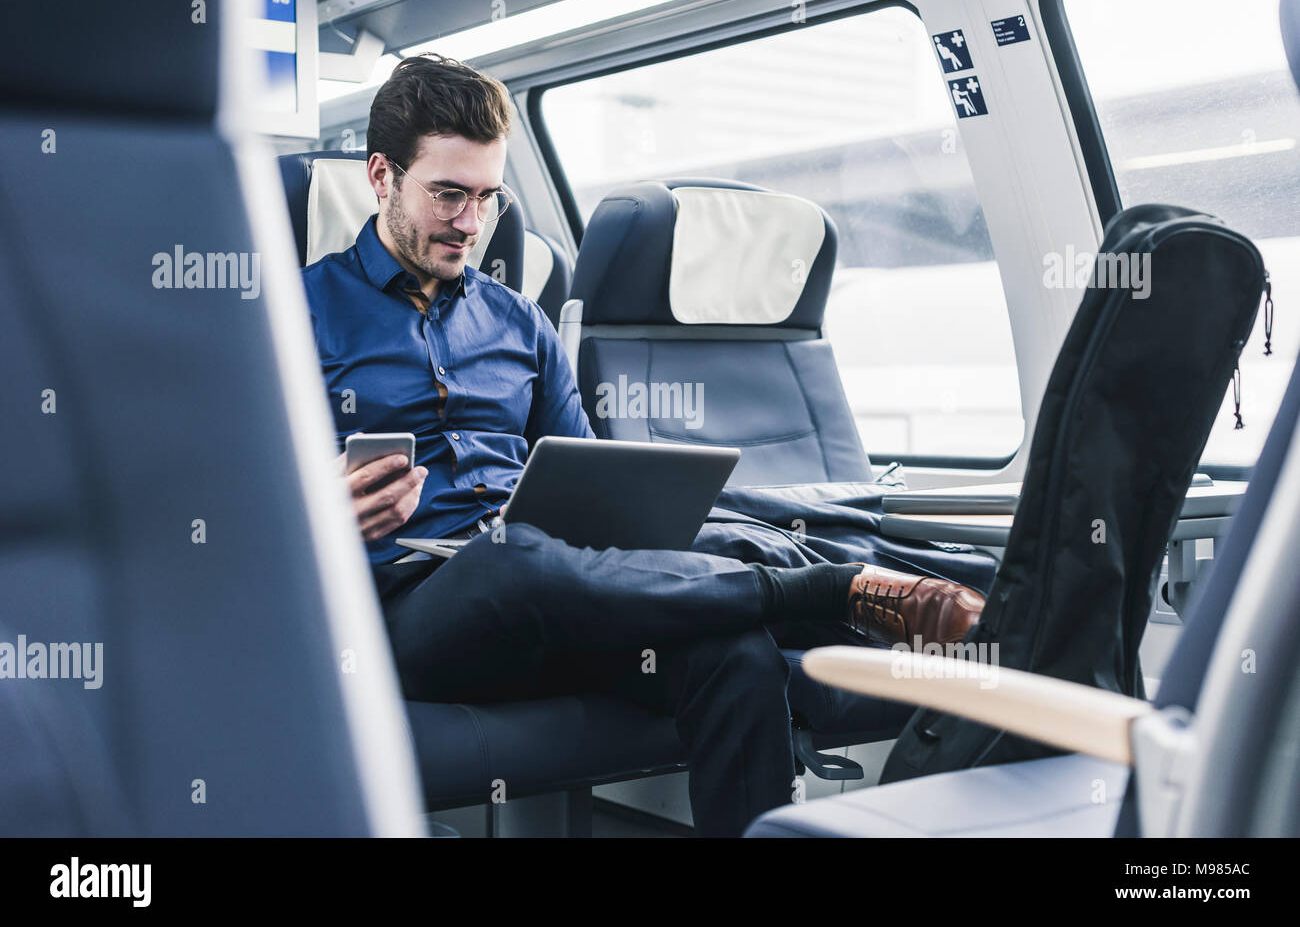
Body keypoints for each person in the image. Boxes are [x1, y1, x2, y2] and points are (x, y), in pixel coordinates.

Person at [302, 53, 987, 836]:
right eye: (448, 194)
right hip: (407, 612)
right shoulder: (293, 317)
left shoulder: (518, 321)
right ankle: (828, 590)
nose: (470, 223)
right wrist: (308, 510)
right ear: (382, 175)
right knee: (509, 555)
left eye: (488, 198)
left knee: (735, 654)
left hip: (558, 597)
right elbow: (211, 513)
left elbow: (592, 483)